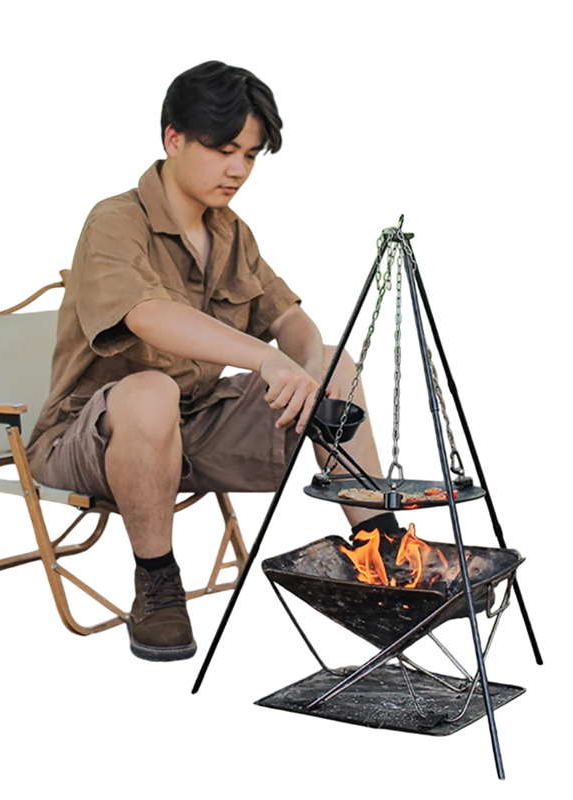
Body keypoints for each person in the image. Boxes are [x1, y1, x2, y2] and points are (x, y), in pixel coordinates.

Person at [27, 61, 398, 661]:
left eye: (249, 155)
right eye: (224, 150)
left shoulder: (230, 232)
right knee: (151, 390)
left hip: (195, 426)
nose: (238, 170)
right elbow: (149, 316)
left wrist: (306, 370)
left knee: (335, 363)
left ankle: (386, 554)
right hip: (93, 438)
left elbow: (289, 319)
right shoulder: (114, 221)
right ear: (173, 138)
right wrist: (265, 360)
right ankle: (157, 586)